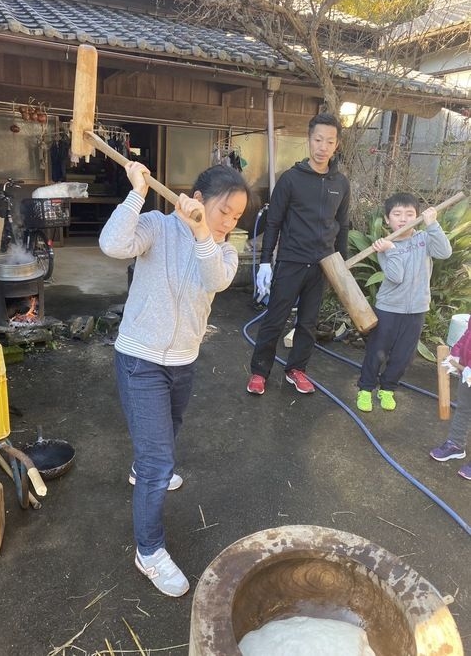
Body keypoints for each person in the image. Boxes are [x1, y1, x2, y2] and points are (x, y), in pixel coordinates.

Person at [99, 161, 249, 596]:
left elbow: (215, 280)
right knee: (159, 463)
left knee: (170, 430)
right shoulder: (158, 227)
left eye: (237, 216)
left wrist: (206, 231)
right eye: (224, 211)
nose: (229, 222)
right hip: (139, 358)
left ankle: (142, 466)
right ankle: (149, 551)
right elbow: (113, 244)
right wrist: (137, 192)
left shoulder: (223, 250)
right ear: (198, 199)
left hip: (183, 360)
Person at [246, 112, 350, 395]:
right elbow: (273, 222)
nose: (323, 146)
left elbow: (342, 226)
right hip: (291, 261)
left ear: (337, 144)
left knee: (308, 323)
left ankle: (296, 369)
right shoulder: (291, 179)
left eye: (329, 141)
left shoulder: (340, 184)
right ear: (309, 140)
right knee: (275, 319)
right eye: (318, 139)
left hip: (322, 265)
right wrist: (265, 262)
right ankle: (259, 372)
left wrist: (342, 264)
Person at [356, 193, 452, 412]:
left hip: (417, 308)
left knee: (404, 354)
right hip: (389, 308)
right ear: (387, 219)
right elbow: (396, 276)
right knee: (377, 350)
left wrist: (433, 225)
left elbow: (445, 253)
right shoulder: (382, 246)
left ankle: (387, 389)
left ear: (417, 217)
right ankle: (365, 388)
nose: (403, 218)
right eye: (397, 214)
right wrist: (391, 250)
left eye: (410, 214)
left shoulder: (423, 239)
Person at [430, 316, 471, 480]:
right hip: (467, 373)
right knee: (464, 408)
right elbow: (468, 335)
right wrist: (455, 355)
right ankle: (456, 444)